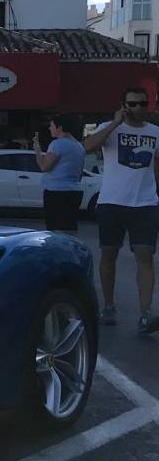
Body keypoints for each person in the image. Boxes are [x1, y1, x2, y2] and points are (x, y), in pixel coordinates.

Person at [82, 87, 159, 333]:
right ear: (123, 104)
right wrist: (115, 123)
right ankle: (109, 305)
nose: (138, 108)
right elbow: (87, 147)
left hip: (145, 203)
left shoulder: (156, 132)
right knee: (109, 254)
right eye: (133, 104)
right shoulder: (109, 128)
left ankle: (145, 314)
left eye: (142, 103)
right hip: (112, 202)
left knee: (145, 257)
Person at [35, 113, 85, 235]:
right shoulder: (79, 146)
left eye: (52, 126)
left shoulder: (57, 144)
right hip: (74, 190)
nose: (49, 128)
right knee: (70, 227)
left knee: (55, 229)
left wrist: (38, 151)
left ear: (60, 128)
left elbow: (45, 166)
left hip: (56, 191)